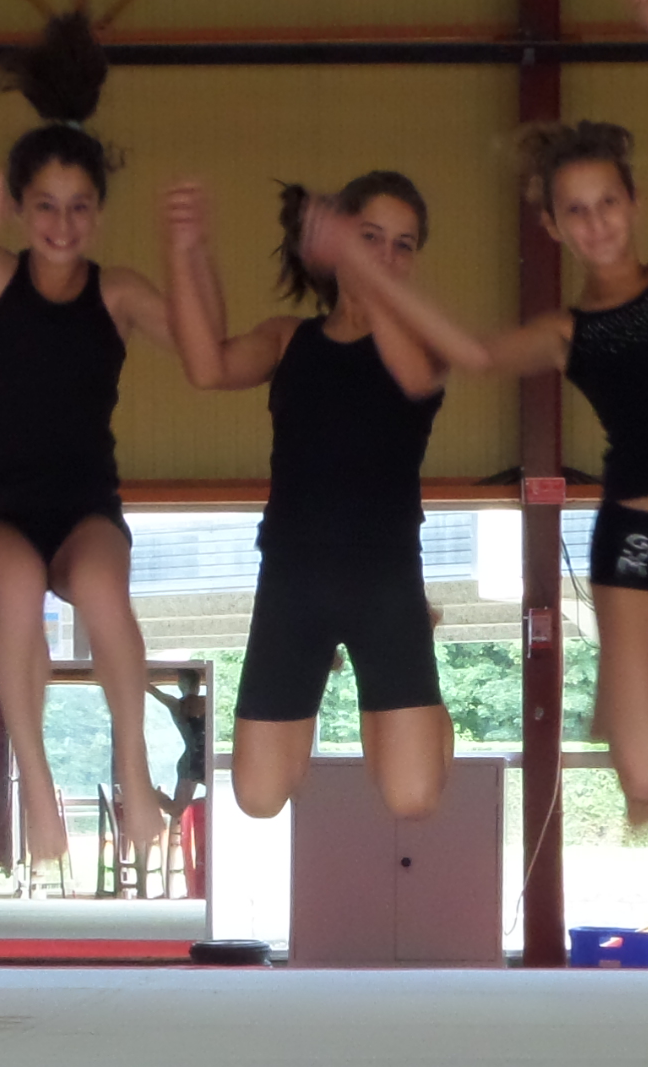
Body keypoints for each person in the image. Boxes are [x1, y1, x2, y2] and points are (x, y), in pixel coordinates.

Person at [351, 0, 648, 829]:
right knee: (646, 776)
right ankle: (627, 701)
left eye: (608, 202)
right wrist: (369, 273)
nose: (597, 222)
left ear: (634, 203)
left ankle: (628, 702)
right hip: (636, 539)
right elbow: (470, 354)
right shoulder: (566, 331)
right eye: (576, 211)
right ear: (553, 227)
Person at [0, 14, 181, 875]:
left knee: (104, 591)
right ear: (18, 208)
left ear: (99, 213)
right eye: (45, 205)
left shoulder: (118, 293)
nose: (62, 223)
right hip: (0, 513)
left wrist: (188, 255)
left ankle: (134, 766)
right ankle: (37, 788)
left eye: (79, 206)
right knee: (15, 591)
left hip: (85, 509)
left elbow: (207, 355)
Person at [163, 170, 456, 823]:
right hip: (293, 581)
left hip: (386, 582)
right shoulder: (289, 339)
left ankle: (429, 692)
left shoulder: (426, 342)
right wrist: (187, 250)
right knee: (258, 798)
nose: (385, 256)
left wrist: (355, 259)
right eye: (370, 237)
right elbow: (207, 366)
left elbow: (410, 375)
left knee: (411, 797)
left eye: (403, 245)